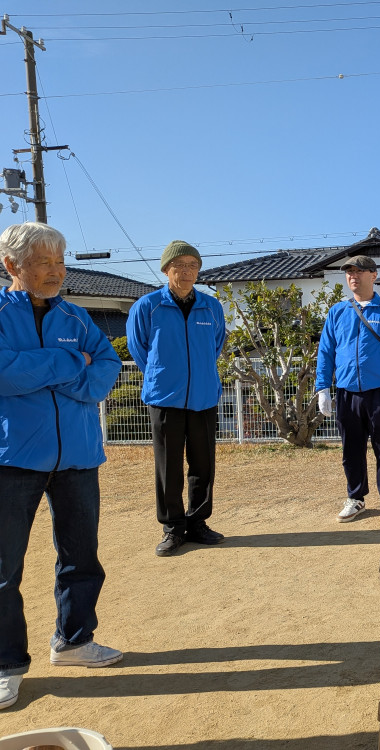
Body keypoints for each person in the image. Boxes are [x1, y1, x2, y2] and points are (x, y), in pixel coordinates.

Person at [0, 223, 124, 711]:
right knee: (3, 569)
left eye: (60, 261)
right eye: (43, 263)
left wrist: (41, 370)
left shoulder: (77, 315)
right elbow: (3, 376)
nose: (56, 272)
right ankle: (6, 664)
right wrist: (69, 361)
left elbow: (105, 372)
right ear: (12, 266)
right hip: (12, 458)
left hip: (78, 457)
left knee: (81, 557)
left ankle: (73, 641)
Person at [127, 240, 228, 557]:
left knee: (203, 465)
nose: (187, 271)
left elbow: (216, 345)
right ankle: (173, 528)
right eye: (179, 265)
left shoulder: (211, 307)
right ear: (166, 270)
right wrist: (161, 374)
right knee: (168, 467)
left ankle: (198, 523)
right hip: (164, 398)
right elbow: (138, 348)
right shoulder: (148, 306)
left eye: (192, 265)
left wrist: (198, 374)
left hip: (203, 397)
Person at [316, 255, 380, 526]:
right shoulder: (337, 312)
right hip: (347, 392)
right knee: (351, 450)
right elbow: (326, 351)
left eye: (359, 271)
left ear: (374, 275)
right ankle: (355, 497)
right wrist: (323, 388)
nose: (353, 276)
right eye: (349, 272)